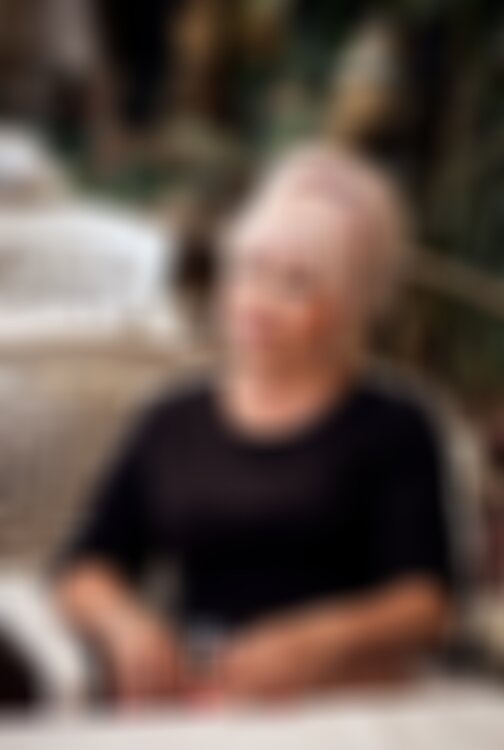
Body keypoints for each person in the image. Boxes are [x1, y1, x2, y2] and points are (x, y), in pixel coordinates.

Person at [54, 144, 454, 706]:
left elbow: (426, 604)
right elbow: (86, 566)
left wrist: (320, 639)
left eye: (297, 283)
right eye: (250, 269)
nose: (258, 301)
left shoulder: (396, 426)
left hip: (346, 700)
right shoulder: (171, 418)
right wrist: (125, 626)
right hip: (199, 691)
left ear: (351, 304)